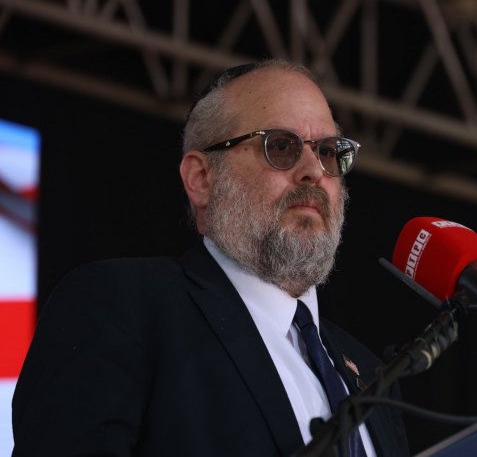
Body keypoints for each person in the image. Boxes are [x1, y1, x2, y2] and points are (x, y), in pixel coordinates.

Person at [11, 59, 410, 456]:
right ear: (201, 178)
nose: (314, 171)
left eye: (328, 152)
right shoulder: (120, 309)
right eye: (281, 146)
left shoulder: (371, 375)